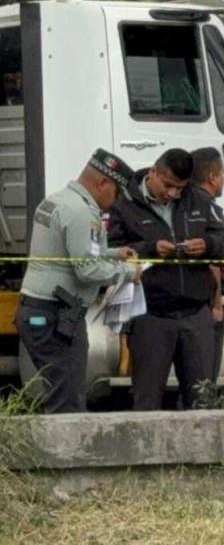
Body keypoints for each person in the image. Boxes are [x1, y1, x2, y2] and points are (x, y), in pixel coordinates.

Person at [108, 148, 224, 410]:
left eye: (180, 188)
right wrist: (151, 249)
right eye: (168, 186)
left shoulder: (198, 201)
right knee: (147, 401)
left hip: (195, 315)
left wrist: (208, 244)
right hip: (150, 316)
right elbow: (110, 252)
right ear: (153, 172)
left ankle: (200, 451)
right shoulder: (124, 204)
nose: (173, 194)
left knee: (202, 401)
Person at [17, 150, 140, 413]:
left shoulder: (57, 201)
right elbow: (88, 270)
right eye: (117, 193)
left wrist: (114, 253)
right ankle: (65, 453)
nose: (116, 202)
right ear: (103, 183)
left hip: (39, 312)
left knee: (61, 391)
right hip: (56, 316)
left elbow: (70, 250)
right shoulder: (82, 213)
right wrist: (128, 273)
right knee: (67, 401)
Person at [190, 147, 224, 382]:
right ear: (213, 178)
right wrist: (217, 304)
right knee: (205, 379)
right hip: (203, 301)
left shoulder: (184, 204)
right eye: (223, 174)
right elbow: (214, 261)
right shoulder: (210, 209)